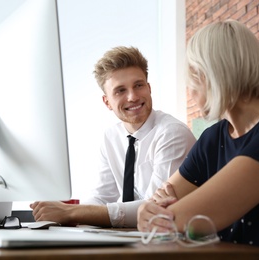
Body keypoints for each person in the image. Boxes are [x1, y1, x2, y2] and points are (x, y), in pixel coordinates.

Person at [137, 20, 259, 259]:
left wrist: (157, 212)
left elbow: (181, 219)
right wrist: (151, 209)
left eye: (192, 77)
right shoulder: (213, 137)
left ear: (208, 75)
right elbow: (160, 203)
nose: (190, 89)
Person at [30, 46, 196, 227]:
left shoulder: (172, 133)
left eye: (138, 85)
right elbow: (101, 196)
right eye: (120, 90)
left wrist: (71, 212)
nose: (132, 96)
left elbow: (153, 209)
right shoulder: (111, 137)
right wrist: (64, 216)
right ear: (107, 101)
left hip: (171, 240)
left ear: (149, 88)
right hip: (137, 239)